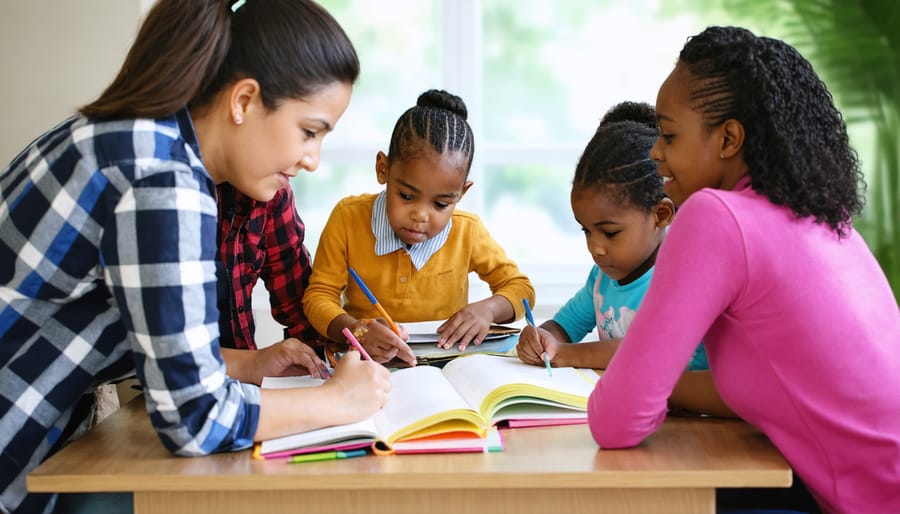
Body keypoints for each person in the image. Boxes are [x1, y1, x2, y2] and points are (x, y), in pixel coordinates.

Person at [0, 1, 392, 513]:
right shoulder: (163, 179)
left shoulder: (134, 136)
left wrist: (249, 363)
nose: (312, 160)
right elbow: (195, 419)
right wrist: (338, 401)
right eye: (309, 131)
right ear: (244, 100)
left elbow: (145, 345)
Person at [587, 26, 900, 514]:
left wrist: (626, 377)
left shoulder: (714, 216)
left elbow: (616, 422)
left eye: (669, 135)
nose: (655, 152)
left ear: (729, 138)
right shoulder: (821, 217)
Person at [515, 101, 725, 417]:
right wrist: (542, 338)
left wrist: (567, 354)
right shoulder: (601, 278)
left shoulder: (680, 279)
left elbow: (646, 351)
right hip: (628, 417)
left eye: (610, 233)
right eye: (586, 230)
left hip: (691, 428)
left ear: (661, 214)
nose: (595, 248)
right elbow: (564, 326)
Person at [303, 89, 536, 366]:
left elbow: (521, 289)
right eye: (407, 196)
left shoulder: (467, 231)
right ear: (383, 169)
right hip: (366, 365)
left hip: (446, 369)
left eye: (440, 204)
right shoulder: (348, 218)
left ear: (461, 193)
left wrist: (487, 310)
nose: (421, 216)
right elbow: (318, 297)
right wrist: (358, 330)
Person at [215, 181, 324, 355]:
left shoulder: (274, 190)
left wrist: (322, 362)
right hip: (189, 376)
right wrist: (254, 366)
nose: (310, 164)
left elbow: (297, 303)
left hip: (240, 373)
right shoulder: (175, 191)